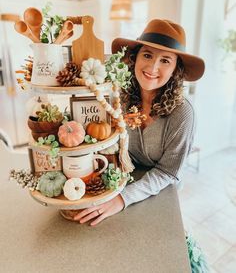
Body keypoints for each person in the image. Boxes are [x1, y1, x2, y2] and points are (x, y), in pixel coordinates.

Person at [73, 19, 205, 226]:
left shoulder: (183, 113)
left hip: (161, 191)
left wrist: (123, 198)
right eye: (147, 55)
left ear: (175, 70)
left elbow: (168, 172)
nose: (153, 67)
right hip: (124, 179)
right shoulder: (119, 97)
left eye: (165, 60)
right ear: (134, 58)